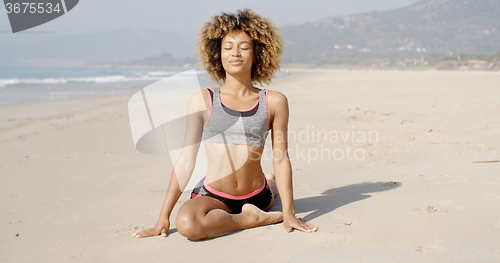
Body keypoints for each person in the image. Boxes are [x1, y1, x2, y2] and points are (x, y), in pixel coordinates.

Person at [132, 9, 317, 240]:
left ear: (257, 53)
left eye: (244, 47)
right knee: (188, 224)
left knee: (270, 185)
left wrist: (289, 213)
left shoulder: (274, 101)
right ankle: (251, 219)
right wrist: (163, 216)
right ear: (217, 54)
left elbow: (281, 157)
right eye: (228, 47)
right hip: (215, 195)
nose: (235, 53)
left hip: (257, 195)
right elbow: (186, 161)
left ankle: (269, 185)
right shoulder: (203, 100)